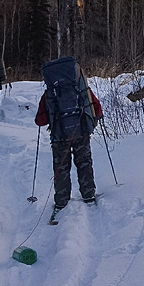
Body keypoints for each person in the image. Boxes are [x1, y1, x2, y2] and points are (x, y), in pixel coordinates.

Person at [35, 57, 103, 210]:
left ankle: (62, 200)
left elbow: (40, 121)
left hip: (59, 137)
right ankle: (88, 194)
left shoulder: (49, 94)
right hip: (81, 132)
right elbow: (97, 109)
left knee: (61, 168)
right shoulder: (81, 89)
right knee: (84, 163)